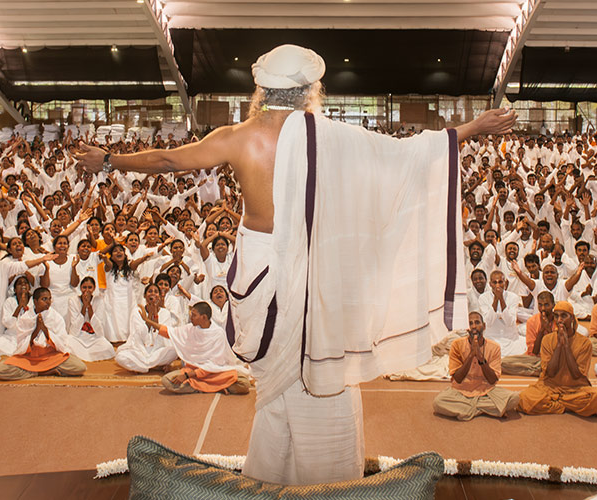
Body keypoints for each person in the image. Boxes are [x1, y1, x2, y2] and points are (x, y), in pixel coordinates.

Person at [76, 43, 516, 485]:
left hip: (260, 271)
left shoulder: (238, 136)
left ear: (260, 90)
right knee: (322, 370)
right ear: (310, 90)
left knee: (280, 385)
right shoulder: (329, 135)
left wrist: (108, 160)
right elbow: (403, 153)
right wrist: (474, 126)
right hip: (313, 273)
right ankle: (325, 480)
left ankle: (274, 475)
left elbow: (169, 159)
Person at [139, 301, 250, 395]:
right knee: (167, 381)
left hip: (214, 372)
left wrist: (187, 376)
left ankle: (201, 387)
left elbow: (215, 364)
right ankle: (217, 387)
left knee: (244, 384)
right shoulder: (190, 329)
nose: (191, 317)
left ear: (204, 317)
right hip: (193, 370)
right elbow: (168, 331)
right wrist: (147, 320)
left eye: (194, 315)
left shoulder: (217, 333)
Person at [517, 301, 597, 416]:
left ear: (572, 318)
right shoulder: (547, 340)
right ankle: (568, 407)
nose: (559, 320)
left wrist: (566, 346)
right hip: (550, 387)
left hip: (575, 389)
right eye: (556, 316)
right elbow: (550, 372)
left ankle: (556, 405)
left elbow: (577, 375)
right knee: (524, 399)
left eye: (564, 316)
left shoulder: (584, 343)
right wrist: (559, 345)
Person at [433, 311, 519, 420]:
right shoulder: (456, 345)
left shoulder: (494, 347)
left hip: (486, 392)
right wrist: (471, 355)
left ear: (484, 326)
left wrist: (481, 358)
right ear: (466, 328)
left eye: (477, 322)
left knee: (514, 398)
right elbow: (458, 379)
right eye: (470, 323)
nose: (474, 326)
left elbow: (492, 380)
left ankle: (468, 410)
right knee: (438, 402)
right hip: (461, 391)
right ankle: (486, 409)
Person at [0, 287, 87, 380]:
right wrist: (36, 330)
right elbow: (21, 344)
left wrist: (45, 331)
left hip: (51, 356)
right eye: (44, 299)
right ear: (35, 301)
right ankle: (42, 371)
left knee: (80, 367)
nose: (48, 302)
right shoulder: (25, 318)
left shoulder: (56, 317)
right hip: (29, 358)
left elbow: (62, 342)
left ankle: (32, 372)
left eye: (49, 299)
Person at [114, 283, 178, 373]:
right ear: (144, 295)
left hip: (157, 350)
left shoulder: (165, 313)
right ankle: (155, 367)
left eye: (156, 292)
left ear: (159, 296)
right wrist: (150, 315)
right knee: (121, 357)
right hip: (139, 349)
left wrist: (154, 316)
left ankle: (141, 366)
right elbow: (140, 335)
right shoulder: (137, 311)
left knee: (174, 351)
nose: (153, 294)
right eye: (150, 291)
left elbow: (162, 336)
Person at [501, 290, 554, 376]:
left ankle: (538, 370)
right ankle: (540, 370)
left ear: (553, 305)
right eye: (540, 305)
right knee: (503, 363)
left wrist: (549, 330)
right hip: (535, 359)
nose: (543, 309)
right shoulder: (532, 321)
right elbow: (534, 352)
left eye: (546, 305)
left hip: (554, 359)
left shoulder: (559, 320)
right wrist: (541, 330)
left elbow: (557, 349)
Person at [65, 276, 115, 362]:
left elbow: (99, 332)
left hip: (94, 337)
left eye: (90, 287)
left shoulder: (99, 300)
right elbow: (74, 331)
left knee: (108, 347)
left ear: (94, 288)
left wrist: (89, 307)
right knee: (67, 342)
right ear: (80, 288)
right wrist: (84, 307)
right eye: (84, 287)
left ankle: (87, 354)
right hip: (79, 337)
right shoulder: (73, 300)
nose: (87, 290)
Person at [479, 270, 526, 357]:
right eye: (494, 282)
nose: (497, 285)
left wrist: (501, 299)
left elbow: (510, 322)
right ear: (490, 284)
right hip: (491, 338)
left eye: (500, 282)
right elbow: (488, 322)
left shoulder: (513, 297)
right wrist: (496, 300)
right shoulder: (483, 298)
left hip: (511, 339)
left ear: (505, 283)